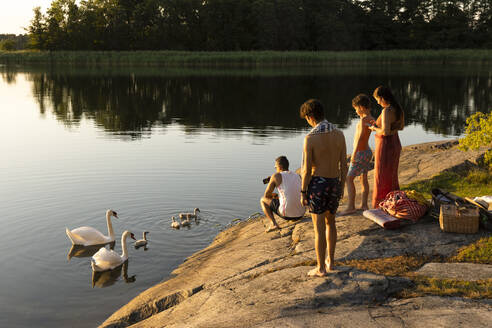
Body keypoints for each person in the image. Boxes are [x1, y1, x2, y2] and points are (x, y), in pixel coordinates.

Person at [299, 99, 347, 277]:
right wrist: (341, 186)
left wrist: (303, 191)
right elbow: (344, 164)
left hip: (318, 185)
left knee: (318, 227)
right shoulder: (339, 134)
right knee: (331, 223)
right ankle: (331, 263)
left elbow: (305, 170)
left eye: (306, 119)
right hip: (334, 182)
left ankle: (320, 268)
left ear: (310, 117)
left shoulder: (310, 138)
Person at [368, 86, 404, 208]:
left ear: (382, 98)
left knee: (381, 175)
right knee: (392, 175)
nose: (377, 102)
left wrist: (374, 128)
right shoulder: (397, 108)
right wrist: (379, 126)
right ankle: (393, 202)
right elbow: (398, 127)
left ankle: (380, 205)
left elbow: (386, 132)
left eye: (377, 99)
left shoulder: (386, 111)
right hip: (395, 143)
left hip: (386, 145)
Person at [339, 94, 375, 215]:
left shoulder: (363, 120)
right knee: (363, 178)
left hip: (360, 152)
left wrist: (353, 154)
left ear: (361, 107)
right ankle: (364, 204)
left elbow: (360, 139)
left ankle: (351, 206)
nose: (355, 111)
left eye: (356, 108)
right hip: (367, 152)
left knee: (349, 179)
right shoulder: (371, 118)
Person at [260, 156, 306, 232]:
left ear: (280, 167)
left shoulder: (276, 176)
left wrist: (272, 181)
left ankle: (273, 224)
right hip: (301, 213)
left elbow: (266, 195)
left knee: (262, 200)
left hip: (287, 214)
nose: (275, 169)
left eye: (276, 167)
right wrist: (276, 195)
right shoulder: (297, 176)